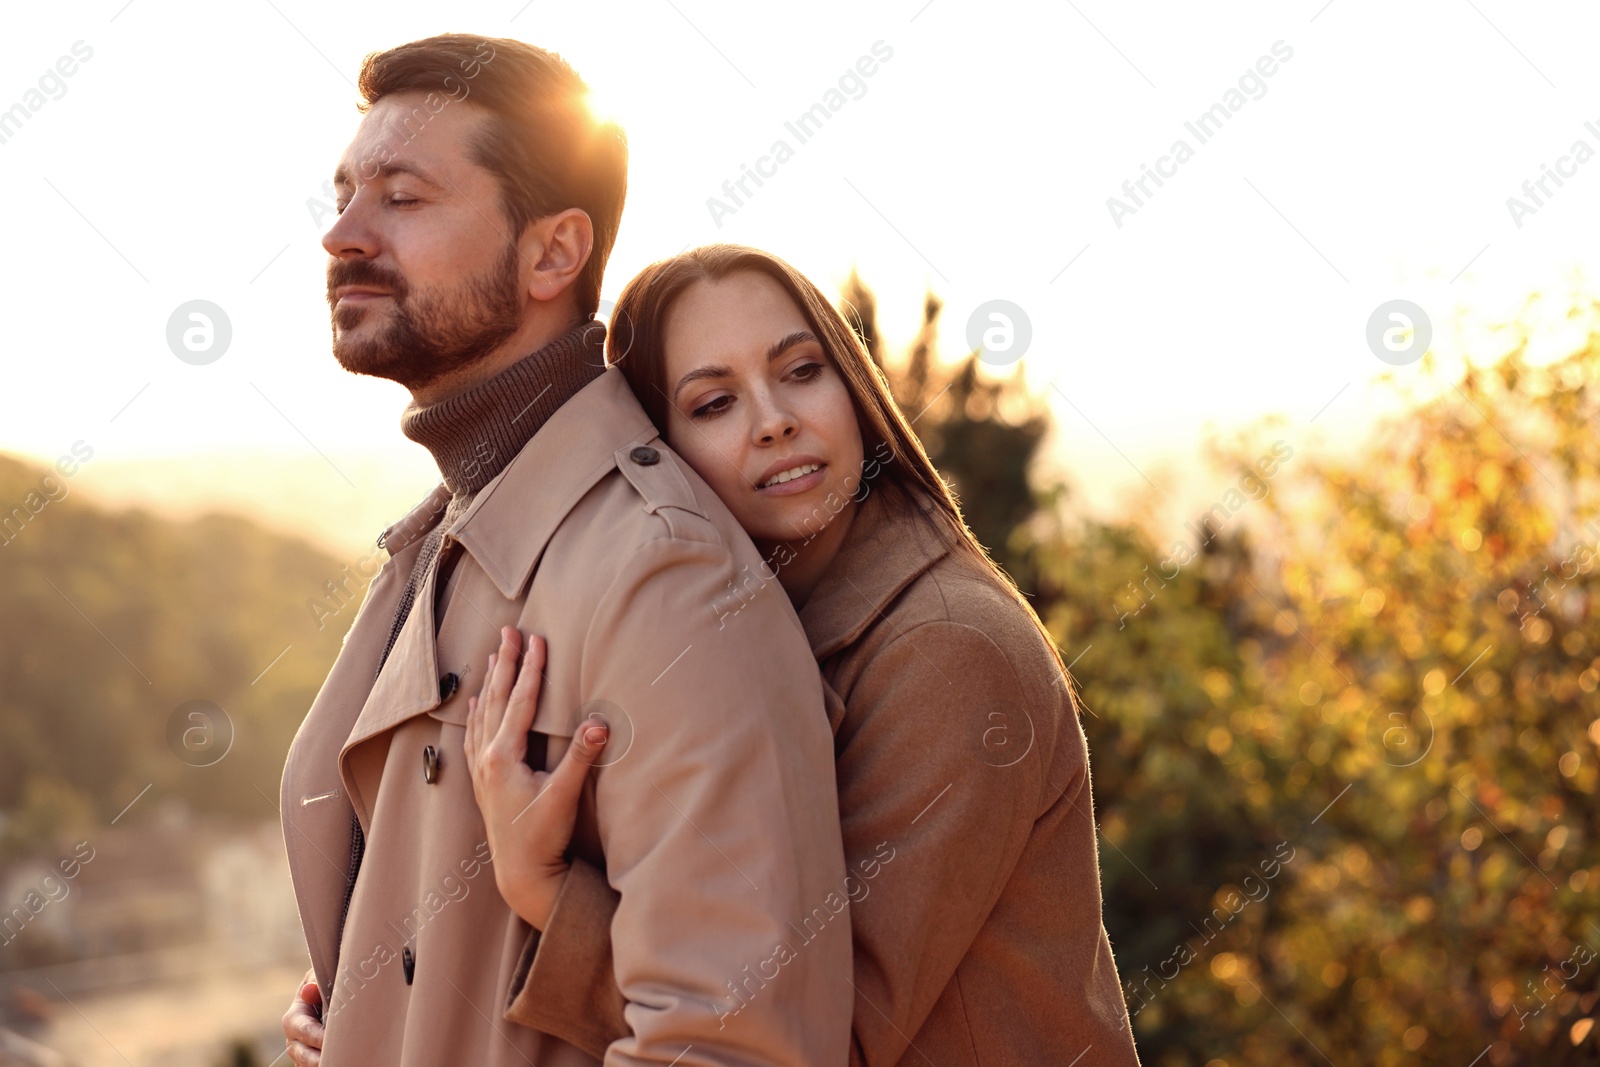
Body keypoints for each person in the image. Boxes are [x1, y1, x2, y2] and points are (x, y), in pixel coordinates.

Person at [277, 37, 852, 1067]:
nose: (341, 234)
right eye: (344, 192)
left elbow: (724, 1041)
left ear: (552, 254)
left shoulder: (661, 574)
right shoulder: (440, 539)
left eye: (402, 199)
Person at [466, 244, 1144, 1064]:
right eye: (715, 402)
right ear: (658, 453)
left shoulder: (947, 654)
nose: (774, 419)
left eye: (801, 370)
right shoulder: (730, 634)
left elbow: (815, 1038)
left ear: (854, 388)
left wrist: (545, 892)